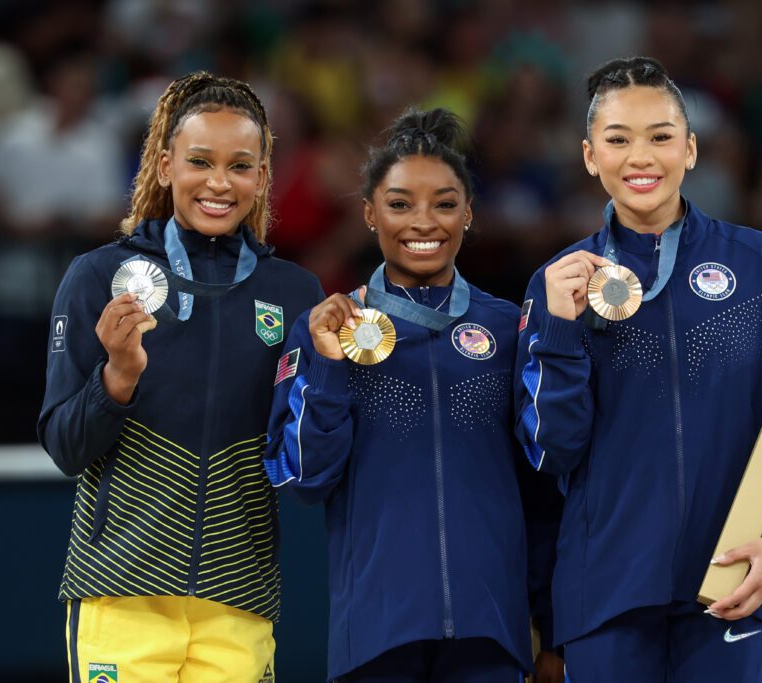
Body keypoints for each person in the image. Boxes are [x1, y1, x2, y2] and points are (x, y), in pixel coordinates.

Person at [514, 57, 762, 681]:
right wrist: (559, 328)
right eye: (618, 140)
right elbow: (551, 450)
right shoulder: (558, 283)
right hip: (606, 591)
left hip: (736, 579)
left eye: (661, 137)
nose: (641, 157)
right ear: (589, 156)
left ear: (691, 150)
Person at [38, 71, 323, 683]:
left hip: (237, 599)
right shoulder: (96, 277)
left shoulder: (294, 294)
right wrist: (117, 375)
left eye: (240, 166)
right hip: (121, 592)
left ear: (262, 177)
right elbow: (64, 446)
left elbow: (307, 461)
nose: (220, 183)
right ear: (165, 166)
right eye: (200, 161)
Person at [264, 108, 562, 683]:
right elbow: (301, 479)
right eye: (400, 204)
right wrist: (328, 369)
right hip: (375, 635)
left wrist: (549, 624)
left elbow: (543, 490)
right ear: (369, 214)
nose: (423, 221)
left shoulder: (508, 329)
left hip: (491, 635)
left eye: (445, 203)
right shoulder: (327, 329)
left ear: (469, 214)